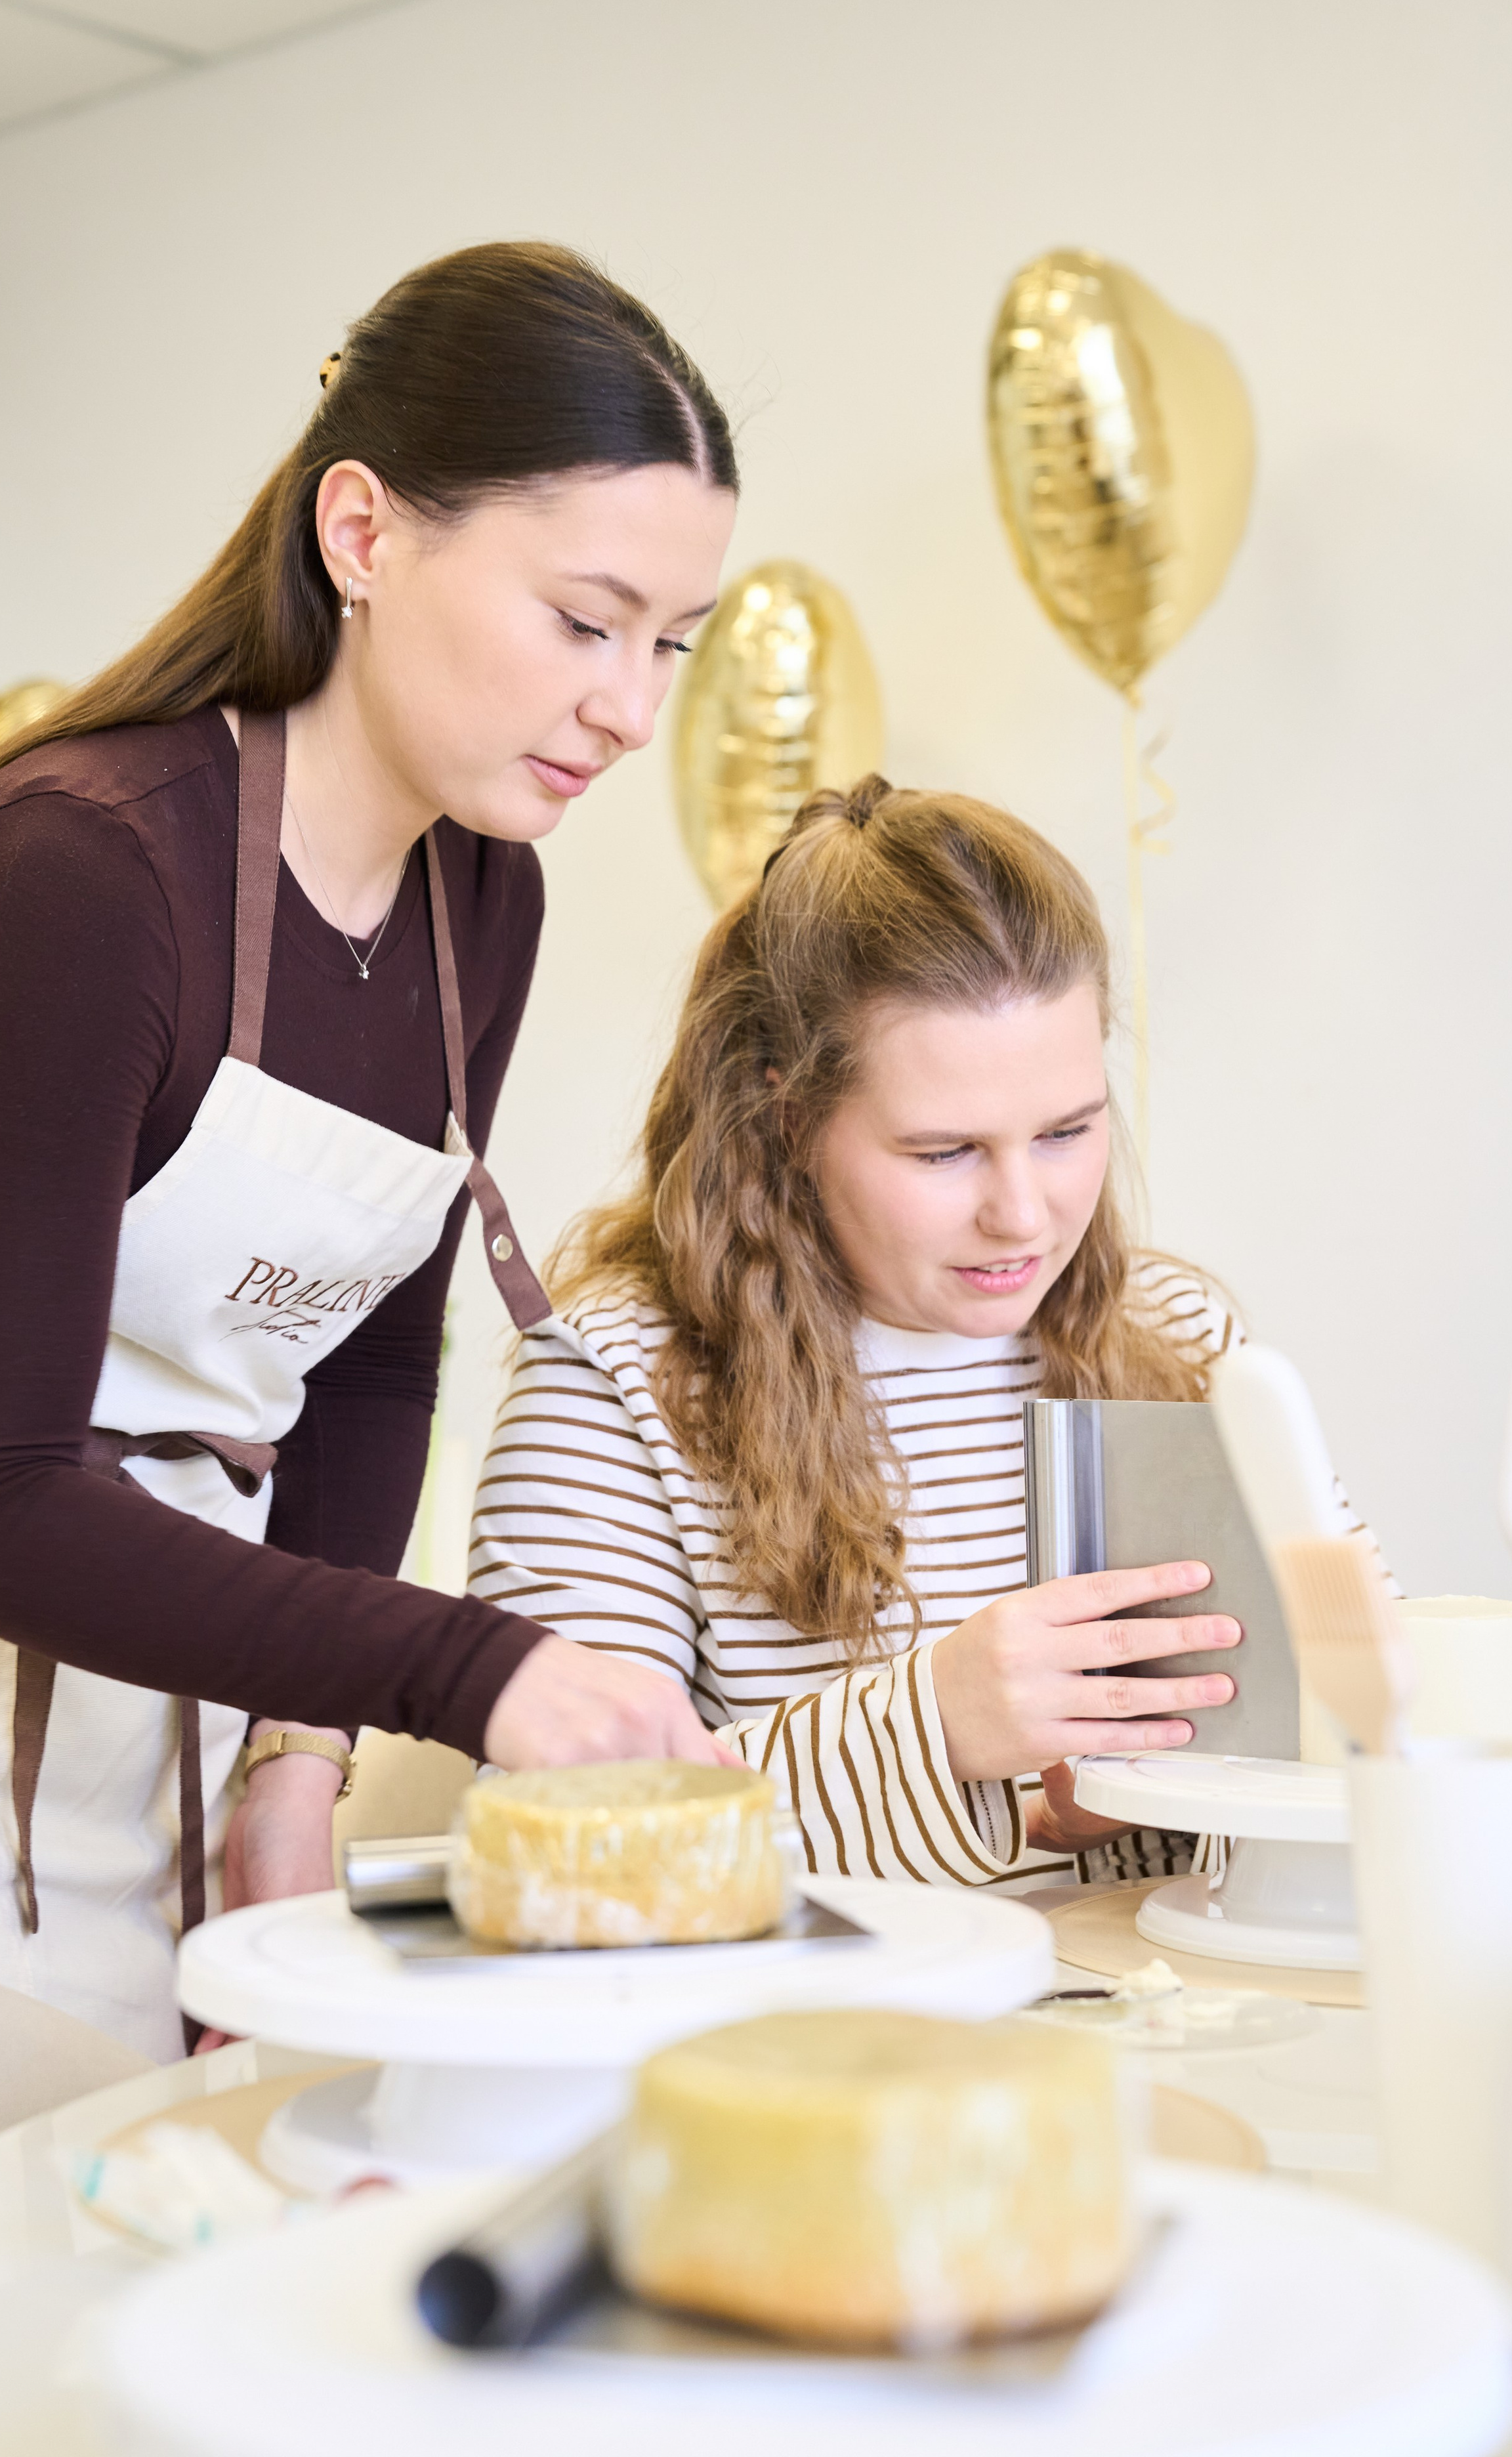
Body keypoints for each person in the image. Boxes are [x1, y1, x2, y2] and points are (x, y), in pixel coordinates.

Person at [0, 241, 740, 2060]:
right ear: (363, 533)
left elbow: (370, 1358)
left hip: (152, 1733)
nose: (634, 710)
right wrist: (467, 1670)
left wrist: (293, 1757)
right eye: (585, 620)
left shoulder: (479, 897)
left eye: (674, 642)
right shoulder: (82, 878)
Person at [468, 775, 1257, 1894]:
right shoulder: (615, 1389)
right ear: (789, 1116)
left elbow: (1354, 1750)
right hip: (797, 2056)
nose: (1024, 1214)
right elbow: (560, 1858)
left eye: (1068, 1130)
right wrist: (936, 1729)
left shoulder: (1179, 1337)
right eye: (944, 1152)